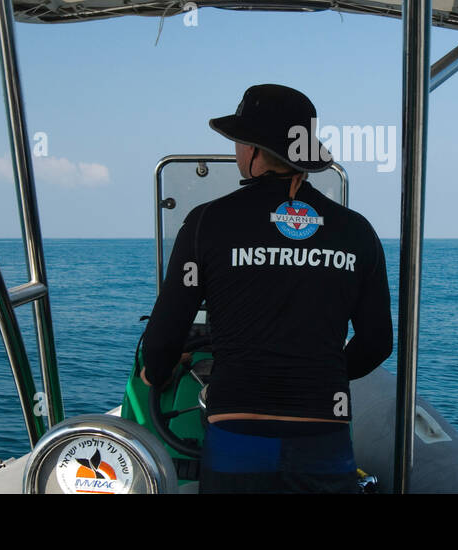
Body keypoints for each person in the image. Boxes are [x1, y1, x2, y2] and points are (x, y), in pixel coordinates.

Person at [140, 84, 392, 493]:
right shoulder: (357, 231)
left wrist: (157, 372)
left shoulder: (207, 222)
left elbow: (165, 333)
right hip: (323, 438)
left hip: (238, 437)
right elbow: (377, 343)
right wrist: (314, 375)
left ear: (254, 150)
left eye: (240, 141)